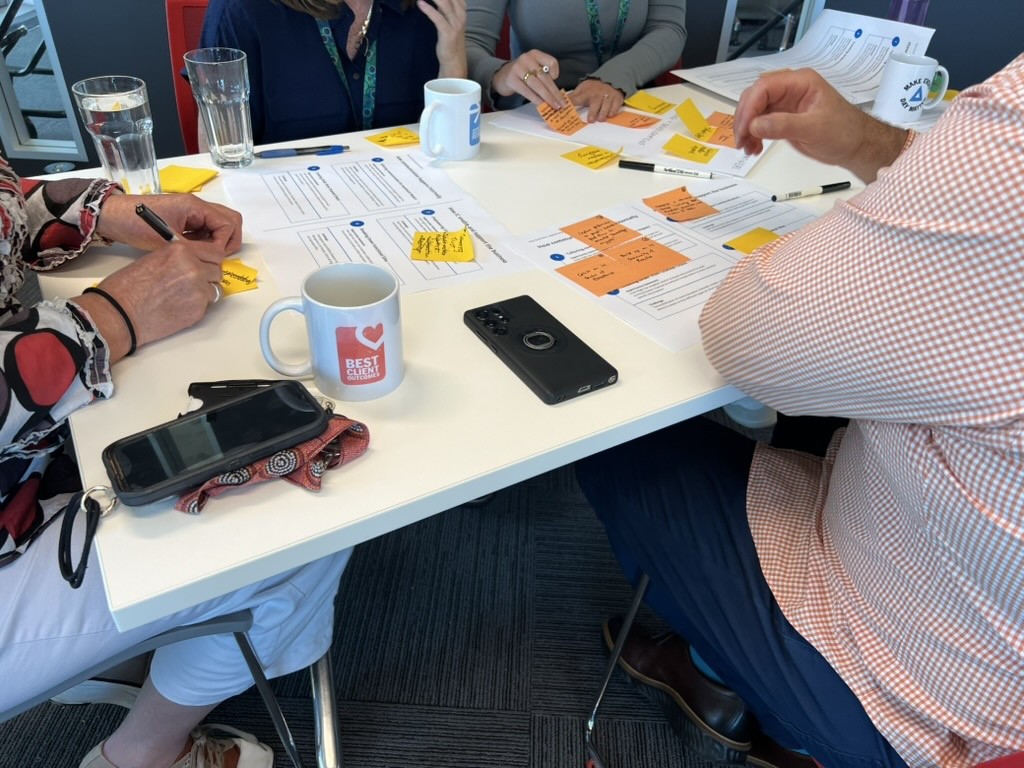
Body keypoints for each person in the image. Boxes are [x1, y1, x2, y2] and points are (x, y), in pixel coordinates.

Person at [575, 60, 1024, 768]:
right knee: (825, 402)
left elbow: (745, 335)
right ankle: (725, 673)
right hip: (981, 618)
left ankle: (760, 695)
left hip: (926, 708)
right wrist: (876, 146)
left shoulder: (1013, 128)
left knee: (604, 421)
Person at [0, 161, 352, 768]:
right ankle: (145, 752)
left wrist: (108, 214)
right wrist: (113, 315)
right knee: (302, 513)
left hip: (23, 479)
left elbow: (10, 205)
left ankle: (120, 657)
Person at [200, 0, 467, 144]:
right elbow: (222, 158)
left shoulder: (428, 8)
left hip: (412, 199)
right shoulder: (241, 10)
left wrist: (453, 58)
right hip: (284, 208)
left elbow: (453, 145)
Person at [465, 0, 686, 122]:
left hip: (632, 102)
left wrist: (612, 79)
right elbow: (467, 44)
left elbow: (668, 29)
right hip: (543, 111)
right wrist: (501, 74)